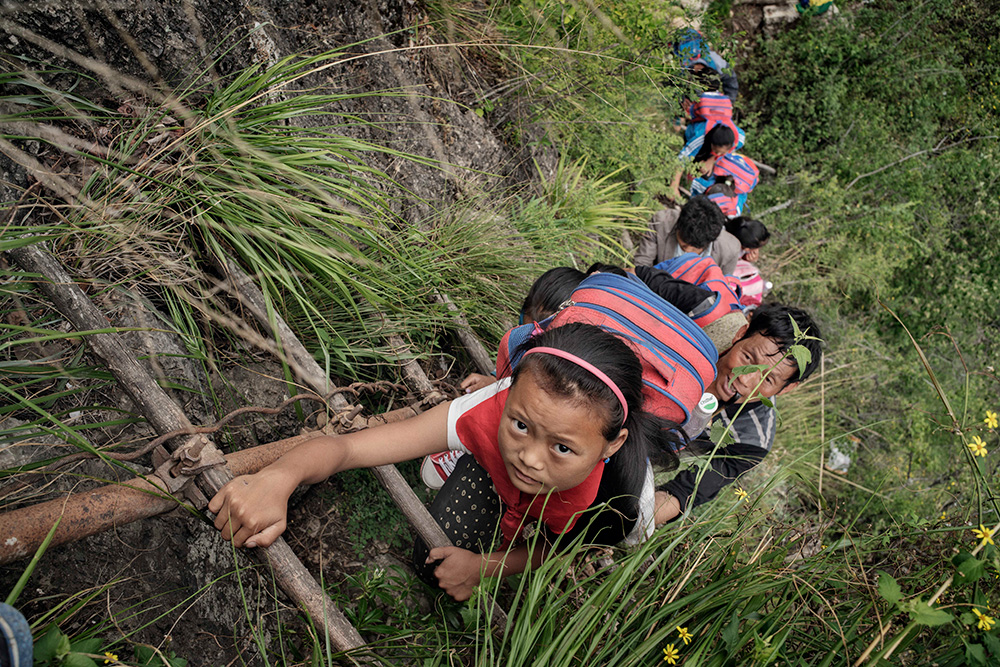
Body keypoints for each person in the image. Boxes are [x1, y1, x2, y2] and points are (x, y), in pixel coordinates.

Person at [210, 322, 680, 601]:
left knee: (581, 531)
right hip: (504, 470)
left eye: (562, 447)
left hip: (587, 522)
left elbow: (562, 548)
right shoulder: (488, 411)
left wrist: (487, 566)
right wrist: (278, 476)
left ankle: (674, 499)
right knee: (431, 561)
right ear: (508, 393)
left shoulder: (613, 501)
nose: (531, 458)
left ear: (612, 445)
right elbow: (353, 447)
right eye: (520, 424)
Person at [652, 305, 823, 524]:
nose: (745, 379)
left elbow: (683, 492)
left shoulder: (752, 440)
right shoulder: (715, 321)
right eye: (748, 358)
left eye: (767, 379)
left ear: (787, 388)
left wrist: (635, 518)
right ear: (741, 334)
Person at [633, 196, 742, 275]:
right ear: (678, 226)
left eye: (695, 249)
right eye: (683, 246)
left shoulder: (730, 250)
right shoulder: (660, 223)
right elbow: (641, 264)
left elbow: (720, 289)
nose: (688, 251)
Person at [672, 28, 739, 101]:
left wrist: (730, 100)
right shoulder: (681, 68)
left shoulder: (717, 63)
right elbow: (675, 88)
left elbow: (731, 81)